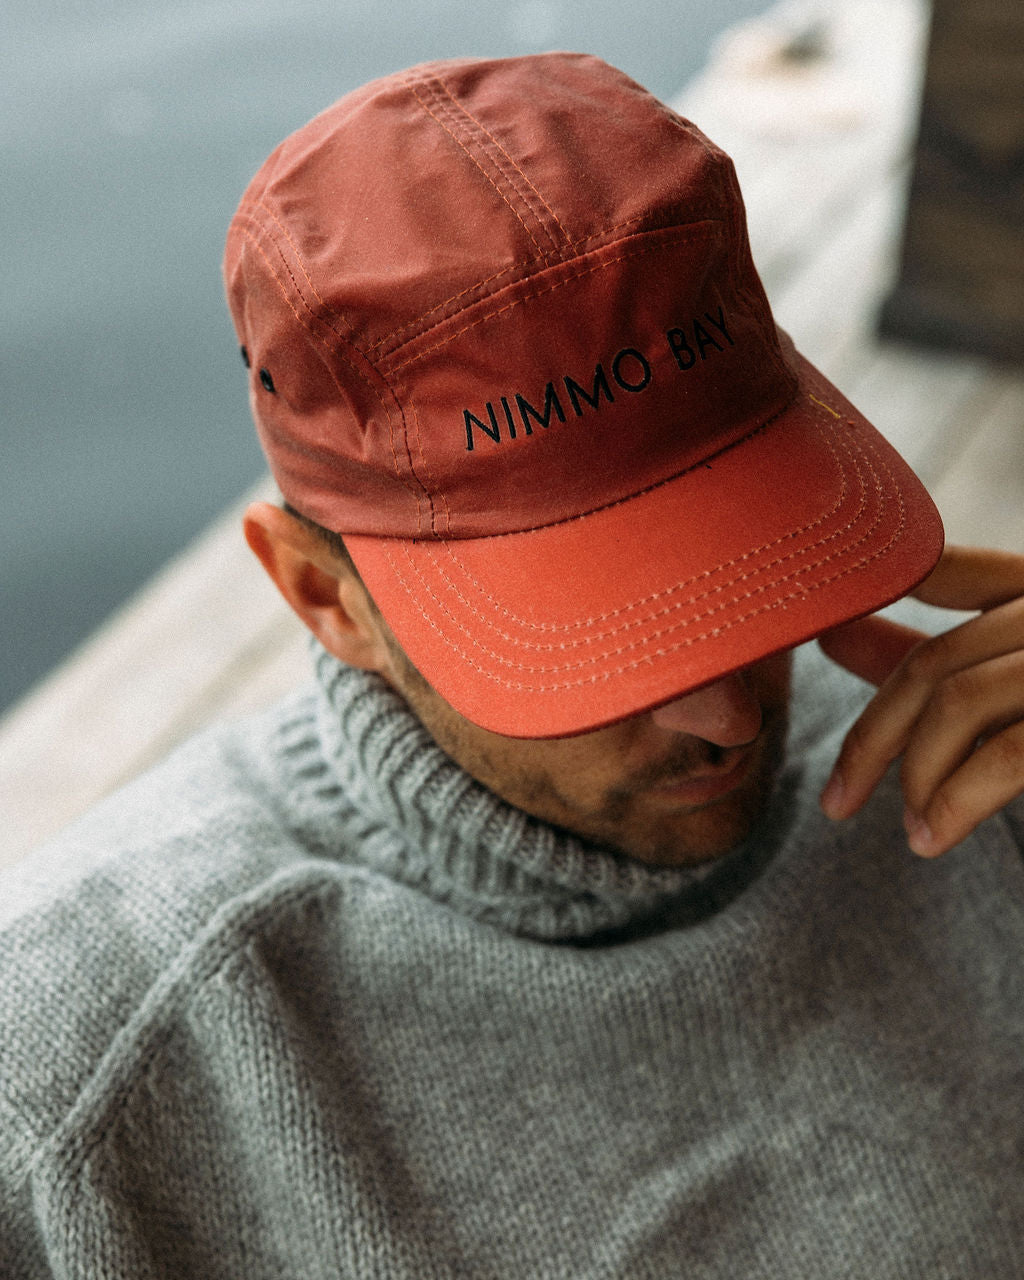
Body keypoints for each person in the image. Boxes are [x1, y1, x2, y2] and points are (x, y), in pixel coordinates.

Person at [2, 52, 1023, 1278]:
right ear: (324, 597)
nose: (726, 713)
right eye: (601, 629)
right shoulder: (78, 1079)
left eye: (749, 560)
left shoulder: (980, 751)